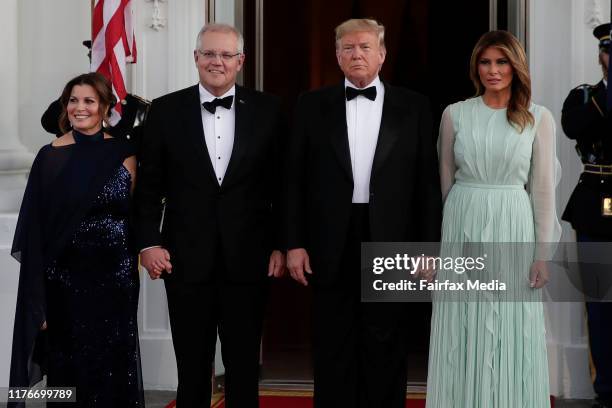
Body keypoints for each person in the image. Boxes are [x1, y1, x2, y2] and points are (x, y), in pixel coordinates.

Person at [286, 18, 441, 408]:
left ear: (382, 54)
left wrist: (429, 247)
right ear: (337, 56)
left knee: (387, 343)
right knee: (332, 342)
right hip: (329, 239)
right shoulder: (310, 104)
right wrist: (293, 244)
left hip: (392, 237)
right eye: (349, 48)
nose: (357, 54)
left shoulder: (415, 106)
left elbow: (426, 183)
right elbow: (293, 180)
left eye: (365, 47)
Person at [134, 23, 285, 408]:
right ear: (196, 58)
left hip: (249, 259)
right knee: (192, 366)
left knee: (244, 365)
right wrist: (149, 241)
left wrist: (282, 246)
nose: (217, 62)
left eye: (226, 55)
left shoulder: (270, 109)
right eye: (209, 54)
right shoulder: (165, 110)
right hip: (184, 259)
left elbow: (282, 185)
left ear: (241, 61)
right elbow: (149, 186)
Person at [426, 30, 561, 407]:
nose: (493, 70)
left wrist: (542, 254)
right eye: (485, 62)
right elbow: (444, 181)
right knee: (462, 324)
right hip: (462, 222)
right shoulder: (455, 114)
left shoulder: (539, 117)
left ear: (516, 66)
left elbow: (544, 189)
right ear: (476, 68)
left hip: (513, 225)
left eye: (501, 62)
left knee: (509, 326)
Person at [9, 72, 143, 407]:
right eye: (73, 100)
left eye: (88, 101)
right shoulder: (49, 155)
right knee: (68, 370)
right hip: (64, 283)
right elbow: (34, 232)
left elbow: (134, 214)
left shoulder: (125, 152)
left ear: (105, 106)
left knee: (113, 369)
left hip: (115, 281)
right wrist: (37, 300)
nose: (79, 108)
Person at [561, 22, 612, 408]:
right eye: (609, 52)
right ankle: (607, 388)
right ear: (601, 55)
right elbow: (573, 127)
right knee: (600, 302)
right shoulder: (584, 97)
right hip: (596, 206)